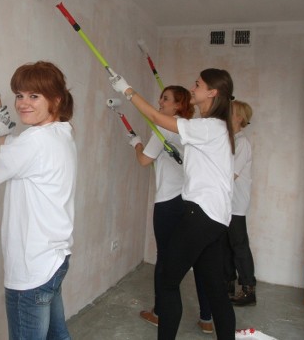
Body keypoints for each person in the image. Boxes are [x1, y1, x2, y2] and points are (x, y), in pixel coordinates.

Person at [110, 68, 236, 340]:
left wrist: (127, 89)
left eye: (198, 84)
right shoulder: (213, 127)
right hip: (217, 217)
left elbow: (157, 117)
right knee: (215, 289)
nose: (194, 88)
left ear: (212, 92)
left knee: (167, 281)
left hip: (201, 213)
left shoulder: (209, 126)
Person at [0, 61, 77, 340]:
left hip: (33, 265)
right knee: (57, 335)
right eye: (19, 95)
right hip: (54, 257)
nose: (22, 103)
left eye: (34, 96)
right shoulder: (61, 133)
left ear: (56, 100)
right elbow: (15, 154)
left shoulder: (35, 142)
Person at [129, 86, 214, 334]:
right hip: (189, 202)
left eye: (165, 99)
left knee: (165, 260)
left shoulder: (164, 127)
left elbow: (144, 160)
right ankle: (207, 319)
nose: (160, 102)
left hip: (168, 202)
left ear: (178, 105)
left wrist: (136, 143)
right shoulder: (189, 129)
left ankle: (158, 313)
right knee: (198, 260)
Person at [224, 100, 257, 306]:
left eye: (231, 112)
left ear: (240, 118)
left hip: (236, 203)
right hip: (225, 202)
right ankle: (227, 283)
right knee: (224, 245)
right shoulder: (230, 140)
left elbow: (230, 175)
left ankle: (248, 290)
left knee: (238, 245)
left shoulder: (242, 142)